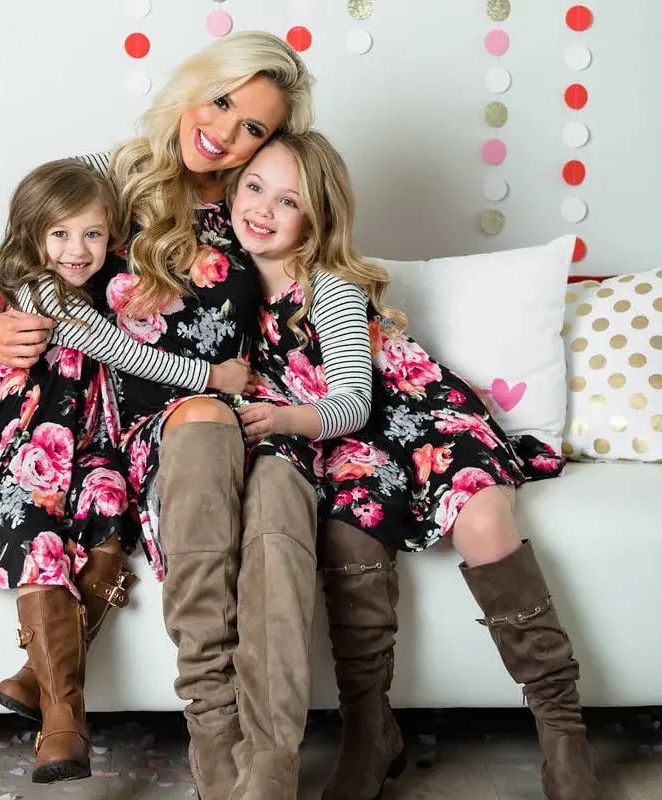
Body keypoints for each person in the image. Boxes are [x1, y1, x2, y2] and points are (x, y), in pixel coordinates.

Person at [0, 32, 317, 800]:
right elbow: (32, 252)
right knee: (173, 448)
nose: (226, 134)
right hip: (149, 424)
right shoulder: (119, 175)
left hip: (253, 414)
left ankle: (267, 774)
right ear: (195, 84)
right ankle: (209, 740)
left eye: (254, 127)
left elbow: (316, 294)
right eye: (223, 102)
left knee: (278, 530)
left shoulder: (260, 201)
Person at [226, 131, 598, 800]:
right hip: (351, 450)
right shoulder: (225, 289)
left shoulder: (330, 287)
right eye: (254, 187)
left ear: (316, 217)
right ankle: (370, 730)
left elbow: (351, 402)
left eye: (289, 200)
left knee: (484, 526)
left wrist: (284, 420)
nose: (263, 209)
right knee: (347, 531)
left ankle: (563, 734)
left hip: (411, 416)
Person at [0, 159, 255, 784]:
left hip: (96, 442)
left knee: (110, 516)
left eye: (92, 234)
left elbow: (125, 169)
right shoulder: (43, 290)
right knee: (39, 525)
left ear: (112, 233)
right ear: (32, 236)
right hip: (37, 436)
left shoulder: (115, 275)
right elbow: (121, 352)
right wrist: (213, 377)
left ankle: (37, 676)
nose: (76, 249)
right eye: (59, 234)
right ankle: (63, 723)